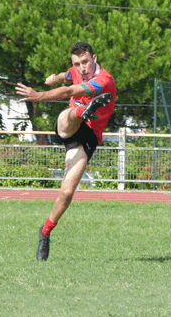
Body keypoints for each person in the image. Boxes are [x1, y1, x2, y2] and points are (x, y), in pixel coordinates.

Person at [15, 42, 116, 261]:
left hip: (88, 137)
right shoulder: (76, 71)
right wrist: (55, 78)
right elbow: (67, 77)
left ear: (95, 58)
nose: (82, 68)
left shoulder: (103, 80)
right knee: (69, 115)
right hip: (70, 125)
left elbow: (70, 90)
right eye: (77, 63)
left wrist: (38, 95)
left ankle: (45, 232)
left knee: (67, 192)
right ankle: (84, 110)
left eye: (85, 62)